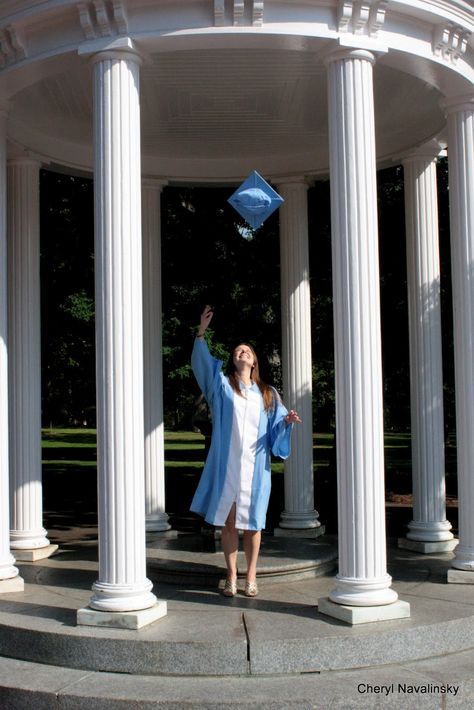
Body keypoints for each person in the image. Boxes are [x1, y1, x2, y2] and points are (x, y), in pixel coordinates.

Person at [190, 305, 301, 597]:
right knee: (228, 522)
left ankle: (251, 576)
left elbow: (275, 433)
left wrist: (286, 422)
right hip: (228, 465)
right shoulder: (222, 387)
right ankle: (231, 576)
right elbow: (203, 367)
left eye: (247, 351)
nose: (243, 352)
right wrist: (201, 333)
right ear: (233, 360)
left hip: (255, 467)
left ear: (254, 362)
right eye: (238, 351)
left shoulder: (267, 393)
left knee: (253, 525)